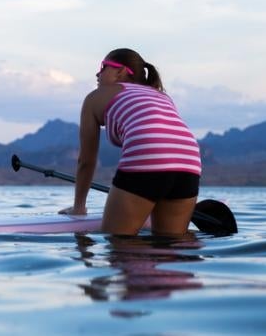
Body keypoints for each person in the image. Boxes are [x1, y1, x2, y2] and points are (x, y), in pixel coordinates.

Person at [60, 48, 202, 235]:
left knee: (117, 241)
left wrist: (79, 208)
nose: (97, 73)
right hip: (189, 160)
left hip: (149, 156)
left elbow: (86, 160)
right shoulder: (162, 96)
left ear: (121, 71)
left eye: (103, 67)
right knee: (170, 246)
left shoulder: (95, 97)